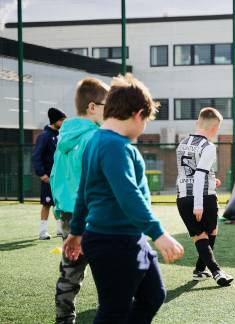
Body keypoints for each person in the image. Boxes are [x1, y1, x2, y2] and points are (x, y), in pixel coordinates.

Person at [63, 73, 184, 323]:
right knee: (113, 311)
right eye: (146, 121)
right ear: (138, 114)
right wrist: (159, 234)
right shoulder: (114, 146)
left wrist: (75, 233)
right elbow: (128, 194)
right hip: (112, 242)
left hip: (129, 238)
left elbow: (83, 193)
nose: (143, 128)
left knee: (153, 295)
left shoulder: (98, 140)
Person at [50, 77, 109, 323]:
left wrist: (58, 209)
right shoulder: (94, 138)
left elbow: (55, 175)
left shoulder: (65, 136)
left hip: (67, 212)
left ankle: (64, 318)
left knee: (70, 270)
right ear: (92, 107)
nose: (112, 111)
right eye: (108, 105)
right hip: (91, 213)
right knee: (108, 270)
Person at [175, 107, 233, 286]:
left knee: (199, 235)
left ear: (197, 123)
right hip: (203, 197)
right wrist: (198, 204)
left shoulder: (182, 143)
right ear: (215, 128)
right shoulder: (208, 147)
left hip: (182, 197)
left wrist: (212, 179)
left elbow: (189, 172)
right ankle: (217, 272)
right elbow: (199, 175)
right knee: (209, 233)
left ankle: (200, 270)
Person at [32, 107, 67, 240]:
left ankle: (60, 229)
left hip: (59, 177)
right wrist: (42, 174)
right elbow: (36, 156)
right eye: (62, 120)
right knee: (47, 203)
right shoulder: (44, 136)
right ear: (55, 121)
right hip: (48, 177)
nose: (64, 122)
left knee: (59, 203)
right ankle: (43, 231)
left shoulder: (60, 136)